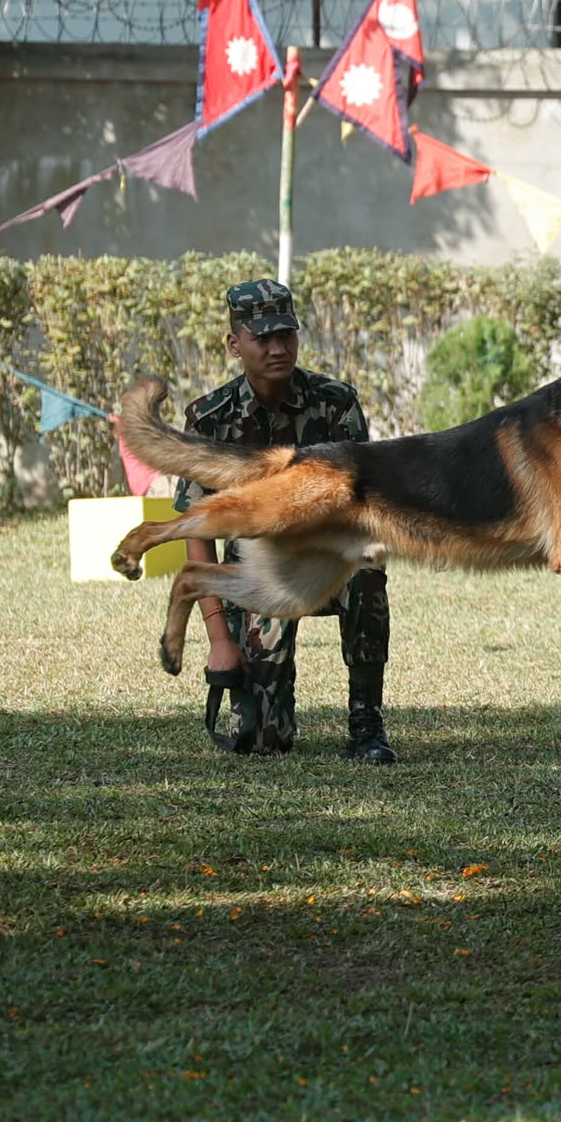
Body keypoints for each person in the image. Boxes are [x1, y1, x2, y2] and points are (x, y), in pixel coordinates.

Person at [173, 279, 397, 761]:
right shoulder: (210, 419)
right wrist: (219, 640)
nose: (278, 349)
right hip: (257, 572)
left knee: (367, 571)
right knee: (264, 743)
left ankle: (366, 721)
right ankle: (257, 706)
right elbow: (197, 528)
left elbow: (361, 502)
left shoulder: (335, 403)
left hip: (327, 559)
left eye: (286, 335)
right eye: (263, 338)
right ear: (234, 344)